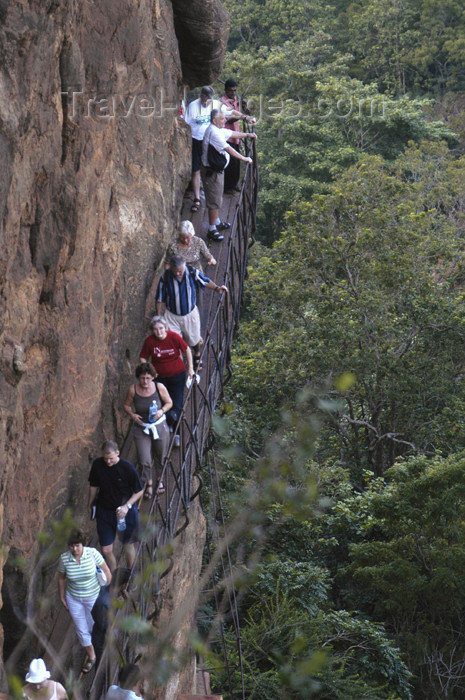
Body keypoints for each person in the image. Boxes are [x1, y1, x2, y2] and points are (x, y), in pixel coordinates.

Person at [155, 255, 228, 371]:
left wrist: (217, 288)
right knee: (174, 342)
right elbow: (159, 298)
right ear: (171, 269)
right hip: (171, 316)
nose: (178, 274)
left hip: (190, 314)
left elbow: (204, 280)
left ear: (184, 267)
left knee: (194, 339)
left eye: (180, 271)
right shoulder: (166, 277)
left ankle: (197, 353)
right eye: (176, 272)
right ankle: (180, 365)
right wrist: (158, 317)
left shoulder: (191, 272)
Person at [184, 86, 250, 213]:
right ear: (201, 96)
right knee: (196, 169)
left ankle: (213, 196)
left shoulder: (216, 104)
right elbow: (185, 124)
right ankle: (197, 198)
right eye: (205, 100)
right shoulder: (193, 106)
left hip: (210, 141)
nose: (207, 103)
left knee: (210, 167)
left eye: (210, 100)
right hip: (196, 140)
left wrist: (245, 118)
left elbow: (231, 112)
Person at [58, 531, 112, 674]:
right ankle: (92, 656)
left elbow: (107, 572)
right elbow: (62, 578)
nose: (74, 549)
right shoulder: (64, 559)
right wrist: (62, 596)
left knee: (94, 623)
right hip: (74, 597)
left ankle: (103, 646)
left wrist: (108, 593)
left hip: (93, 596)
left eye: (77, 546)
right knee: (81, 628)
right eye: (71, 546)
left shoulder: (92, 554)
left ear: (83, 544)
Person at [201, 109, 257, 241]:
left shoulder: (218, 129)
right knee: (214, 201)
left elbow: (231, 133)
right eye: (222, 119)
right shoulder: (214, 132)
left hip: (217, 171)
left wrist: (248, 135)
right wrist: (244, 158)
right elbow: (229, 149)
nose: (225, 120)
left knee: (217, 196)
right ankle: (212, 229)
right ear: (215, 121)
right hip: (212, 172)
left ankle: (217, 221)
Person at [88, 441, 144, 572]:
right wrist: (90, 503)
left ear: (117, 453)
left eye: (111, 458)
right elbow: (93, 485)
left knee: (128, 543)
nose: (108, 462)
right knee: (106, 549)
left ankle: (130, 574)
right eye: (105, 458)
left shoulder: (127, 468)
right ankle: (115, 575)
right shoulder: (98, 464)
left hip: (125, 512)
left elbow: (139, 490)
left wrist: (127, 506)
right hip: (104, 510)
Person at [139, 316, 194, 448]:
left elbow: (186, 349)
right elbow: (143, 357)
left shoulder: (173, 337)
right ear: (152, 331)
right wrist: (150, 371)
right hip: (159, 378)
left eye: (161, 328)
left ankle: (177, 433)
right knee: (162, 403)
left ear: (165, 328)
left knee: (177, 403)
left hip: (177, 375)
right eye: (155, 329)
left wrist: (190, 369)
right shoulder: (150, 341)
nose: (159, 332)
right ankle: (165, 429)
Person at [123, 363, 172, 489]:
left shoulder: (159, 387)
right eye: (142, 378)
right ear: (138, 378)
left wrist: (161, 411)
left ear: (153, 377)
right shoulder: (133, 389)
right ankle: (148, 482)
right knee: (144, 459)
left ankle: (159, 479)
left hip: (158, 425)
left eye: (148, 378)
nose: (145, 381)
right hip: (142, 427)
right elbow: (126, 405)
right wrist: (132, 415)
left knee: (161, 454)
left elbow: (169, 403)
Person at [221, 78, 255, 193]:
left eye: (235, 90)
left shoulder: (234, 99)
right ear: (226, 90)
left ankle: (234, 184)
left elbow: (239, 110)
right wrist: (243, 117)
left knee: (236, 162)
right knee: (230, 162)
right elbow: (229, 120)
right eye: (231, 91)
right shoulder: (223, 102)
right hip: (227, 136)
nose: (233, 93)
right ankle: (227, 187)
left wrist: (244, 109)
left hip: (235, 135)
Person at [91, 567, 131, 665]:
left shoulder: (109, 591)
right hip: (103, 640)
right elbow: (104, 625)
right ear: (124, 585)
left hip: (108, 636)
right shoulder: (105, 602)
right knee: (104, 667)